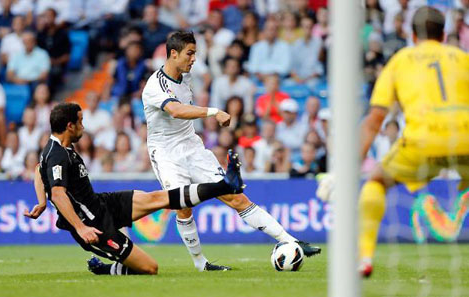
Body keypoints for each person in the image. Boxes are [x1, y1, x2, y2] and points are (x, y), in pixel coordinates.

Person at [141, 31, 320, 272]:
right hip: (166, 153)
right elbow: (175, 110)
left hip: (193, 147)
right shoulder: (155, 85)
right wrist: (214, 111)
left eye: (195, 53)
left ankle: (290, 240)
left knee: (235, 195)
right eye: (190, 53)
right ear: (173, 54)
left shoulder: (185, 77)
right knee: (182, 207)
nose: (193, 59)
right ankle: (201, 264)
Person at [317, 7, 469, 278]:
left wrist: (346, 171)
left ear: (411, 34)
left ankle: (364, 257)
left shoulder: (402, 59)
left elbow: (375, 119)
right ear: (443, 34)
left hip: (423, 140)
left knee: (377, 181)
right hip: (465, 139)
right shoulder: (462, 57)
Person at [24, 102, 246, 275]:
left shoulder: (58, 148)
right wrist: (81, 228)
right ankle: (106, 269)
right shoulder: (57, 155)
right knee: (150, 268)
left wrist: (41, 203)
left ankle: (224, 185)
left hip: (101, 203)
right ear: (69, 126)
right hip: (94, 226)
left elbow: (38, 170)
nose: (84, 126)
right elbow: (58, 193)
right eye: (80, 121)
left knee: (158, 199)